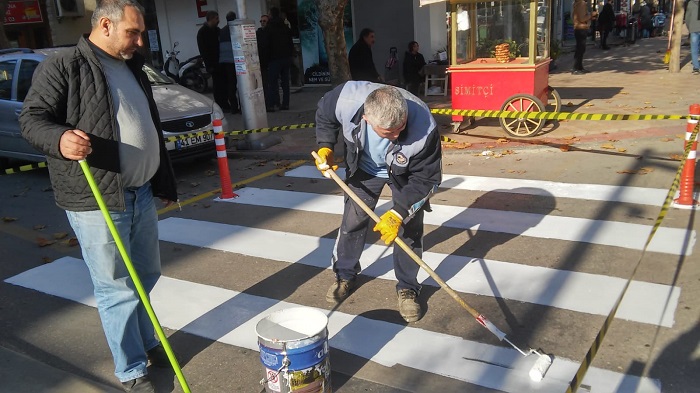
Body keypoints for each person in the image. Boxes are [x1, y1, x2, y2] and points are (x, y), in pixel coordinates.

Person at [18, 0, 178, 392]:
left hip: (139, 193)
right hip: (98, 199)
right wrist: (60, 138)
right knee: (117, 287)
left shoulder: (132, 67)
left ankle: (146, 339)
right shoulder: (63, 66)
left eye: (141, 33)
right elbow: (31, 119)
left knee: (146, 275)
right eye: (133, 32)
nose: (140, 41)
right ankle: (132, 369)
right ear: (105, 25)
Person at [313, 82, 442, 323]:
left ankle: (408, 287)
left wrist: (399, 212)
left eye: (400, 128)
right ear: (366, 118)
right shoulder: (344, 100)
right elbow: (324, 115)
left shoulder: (424, 126)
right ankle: (345, 275)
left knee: (408, 228)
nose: (396, 136)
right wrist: (325, 146)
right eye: (388, 132)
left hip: (406, 174)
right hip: (364, 168)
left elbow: (427, 179)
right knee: (353, 221)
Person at [197, 10, 229, 111]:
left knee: (224, 84)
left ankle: (225, 103)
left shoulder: (217, 30)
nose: (218, 21)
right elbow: (204, 51)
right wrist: (209, 65)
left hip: (221, 61)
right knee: (218, 86)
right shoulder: (202, 32)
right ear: (211, 19)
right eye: (216, 18)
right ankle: (221, 104)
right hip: (213, 64)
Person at [265, 7, 294, 112]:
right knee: (285, 82)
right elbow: (290, 43)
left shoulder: (269, 28)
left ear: (271, 15)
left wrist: (266, 58)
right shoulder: (285, 27)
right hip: (286, 58)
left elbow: (266, 45)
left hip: (274, 58)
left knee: (272, 82)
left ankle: (272, 104)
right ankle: (285, 104)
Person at [219, 11, 240, 113]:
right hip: (236, 60)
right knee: (241, 84)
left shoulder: (222, 31)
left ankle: (234, 107)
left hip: (225, 62)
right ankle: (242, 107)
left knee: (230, 85)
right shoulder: (236, 29)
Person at [572, 0, 597, 74]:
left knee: (581, 49)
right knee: (580, 49)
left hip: (579, 28)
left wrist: (590, 18)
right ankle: (576, 68)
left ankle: (579, 67)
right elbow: (582, 18)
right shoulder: (581, 4)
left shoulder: (577, 3)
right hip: (581, 28)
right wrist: (591, 15)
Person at [257, 14, 270, 104]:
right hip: (261, 61)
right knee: (264, 83)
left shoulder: (270, 32)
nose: (262, 23)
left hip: (270, 60)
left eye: (264, 21)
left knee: (270, 82)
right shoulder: (258, 32)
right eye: (261, 21)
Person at [685, 0, 700, 74]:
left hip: (694, 28)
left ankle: (696, 67)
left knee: (694, 48)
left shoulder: (691, 3)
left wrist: (689, 27)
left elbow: (687, 17)